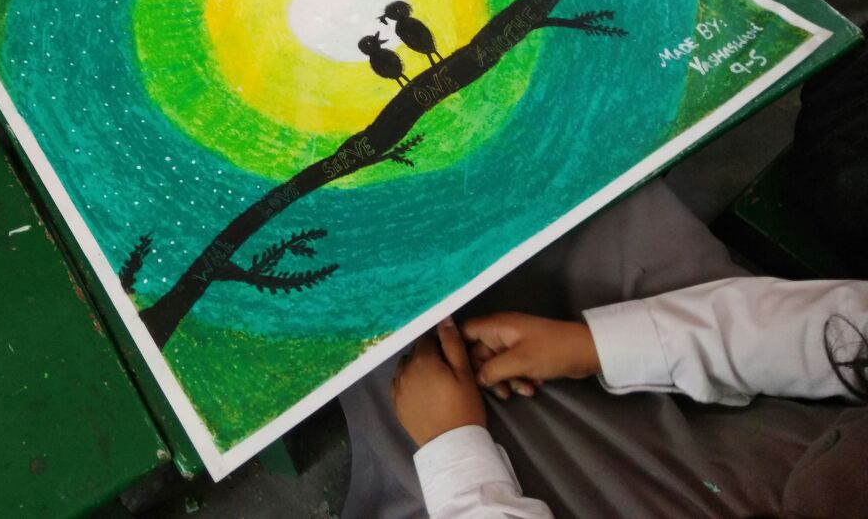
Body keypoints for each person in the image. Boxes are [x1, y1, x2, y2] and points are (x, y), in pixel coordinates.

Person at [339, 179, 868, 519]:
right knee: (588, 198)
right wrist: (597, 345)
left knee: (390, 348)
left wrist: (454, 452)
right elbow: (847, 331)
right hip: (799, 444)